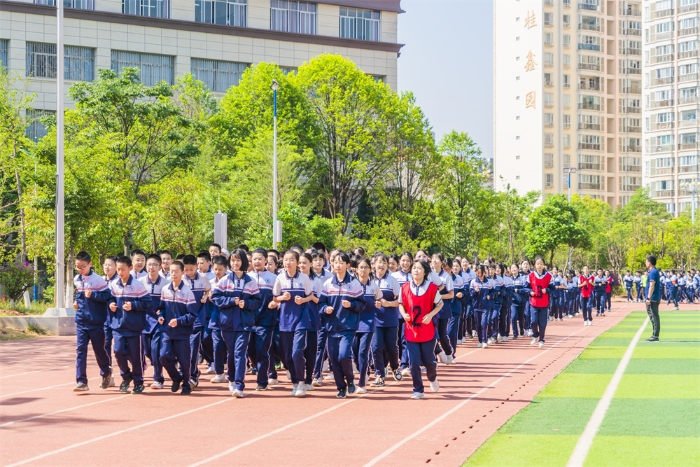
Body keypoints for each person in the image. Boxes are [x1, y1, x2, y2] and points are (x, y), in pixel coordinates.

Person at [210, 249, 261, 398]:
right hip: (227, 323)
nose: (235, 263)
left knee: (240, 353)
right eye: (233, 260)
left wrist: (247, 304)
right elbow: (216, 298)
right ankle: (231, 378)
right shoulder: (225, 280)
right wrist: (232, 301)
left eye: (238, 260)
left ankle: (239, 385)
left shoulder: (250, 281)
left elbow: (257, 301)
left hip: (244, 324)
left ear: (243, 261)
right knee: (231, 353)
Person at [318, 252, 366, 398]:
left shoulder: (354, 283)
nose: (337, 265)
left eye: (341, 262)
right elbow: (320, 304)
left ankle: (350, 380)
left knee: (344, 355)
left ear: (347, 265)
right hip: (331, 327)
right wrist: (325, 309)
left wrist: (351, 305)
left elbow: (362, 304)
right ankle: (341, 387)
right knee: (333, 359)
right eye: (335, 262)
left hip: (348, 326)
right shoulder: (328, 283)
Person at [271, 250, 315, 397]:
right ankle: (295, 382)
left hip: (301, 320)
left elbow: (310, 296)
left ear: (297, 262)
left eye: (291, 260)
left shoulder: (304, 278)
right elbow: (275, 298)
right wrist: (282, 297)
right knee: (288, 355)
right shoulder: (280, 278)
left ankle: (302, 382)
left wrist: (302, 300)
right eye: (285, 260)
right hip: (285, 320)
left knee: (297, 352)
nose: (288, 262)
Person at [398, 259, 443, 400]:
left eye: (419, 268)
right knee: (414, 362)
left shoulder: (432, 288)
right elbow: (400, 303)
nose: (416, 270)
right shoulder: (405, 287)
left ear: (425, 272)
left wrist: (430, 315)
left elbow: (440, 304)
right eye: (414, 268)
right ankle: (418, 389)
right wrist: (403, 314)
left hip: (427, 330)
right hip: (411, 330)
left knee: (429, 361)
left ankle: (432, 377)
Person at [108, 255, 151, 394]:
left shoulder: (137, 285)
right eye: (118, 269)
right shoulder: (114, 284)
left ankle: (138, 382)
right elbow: (110, 298)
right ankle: (126, 376)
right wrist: (111, 304)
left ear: (130, 268)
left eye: (123, 269)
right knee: (118, 352)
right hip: (118, 326)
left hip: (134, 328)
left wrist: (133, 305)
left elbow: (147, 303)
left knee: (135, 356)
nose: (120, 272)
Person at [72, 251, 112, 392]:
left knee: (99, 350)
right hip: (81, 322)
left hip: (96, 322)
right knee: (80, 350)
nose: (80, 269)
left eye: (83, 266)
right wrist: (76, 302)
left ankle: (106, 371)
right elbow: (79, 295)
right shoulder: (77, 279)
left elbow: (108, 296)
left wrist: (93, 295)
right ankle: (81, 381)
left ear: (90, 264)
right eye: (77, 267)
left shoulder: (98, 280)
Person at [158, 260, 198, 395]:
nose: (173, 274)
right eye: (171, 271)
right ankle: (176, 378)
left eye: (176, 271)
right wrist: (161, 316)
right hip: (167, 331)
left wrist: (179, 321)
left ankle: (186, 384)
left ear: (183, 272)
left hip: (182, 333)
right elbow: (161, 308)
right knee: (163, 356)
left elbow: (193, 315)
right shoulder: (165, 289)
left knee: (184, 361)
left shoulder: (187, 292)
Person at [247, 248, 278, 391]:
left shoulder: (274, 278)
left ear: (266, 260)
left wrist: (276, 303)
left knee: (262, 351)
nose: (257, 262)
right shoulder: (247, 277)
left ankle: (262, 381)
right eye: (254, 259)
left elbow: (279, 296)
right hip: (249, 321)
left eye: (260, 259)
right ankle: (259, 370)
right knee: (250, 351)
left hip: (266, 320)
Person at [371, 253, 402, 387]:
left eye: (384, 262)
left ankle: (395, 367)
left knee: (391, 347)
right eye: (379, 262)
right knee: (376, 347)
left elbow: (400, 301)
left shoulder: (392, 280)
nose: (382, 265)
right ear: (374, 264)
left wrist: (387, 304)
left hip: (390, 320)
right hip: (375, 320)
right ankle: (379, 375)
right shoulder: (370, 280)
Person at [352, 257, 382, 394]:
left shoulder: (373, 287)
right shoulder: (352, 285)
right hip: (353, 323)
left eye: (366, 267)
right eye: (361, 267)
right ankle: (363, 370)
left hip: (368, 323)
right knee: (355, 354)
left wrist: (378, 304)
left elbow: (379, 300)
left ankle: (361, 383)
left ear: (370, 269)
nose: (363, 270)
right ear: (356, 270)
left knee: (363, 352)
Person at [138, 254, 168, 390]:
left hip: (159, 321)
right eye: (149, 264)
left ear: (160, 267)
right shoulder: (140, 282)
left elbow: (167, 304)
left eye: (155, 265)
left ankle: (158, 378)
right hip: (144, 321)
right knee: (147, 351)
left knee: (156, 350)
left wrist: (162, 314)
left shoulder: (165, 283)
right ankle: (155, 364)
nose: (151, 267)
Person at [206, 255, 229, 384]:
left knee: (230, 347)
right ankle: (219, 373)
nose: (217, 272)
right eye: (215, 269)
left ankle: (232, 371)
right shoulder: (210, 283)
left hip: (229, 319)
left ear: (226, 269)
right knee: (217, 345)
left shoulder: (229, 282)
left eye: (220, 269)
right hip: (215, 318)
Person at [431, 254, 455, 363]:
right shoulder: (428, 275)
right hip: (430, 310)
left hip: (443, 310)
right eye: (433, 259)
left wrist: (438, 296)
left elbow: (451, 295)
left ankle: (449, 353)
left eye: (437, 259)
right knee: (431, 334)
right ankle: (435, 356)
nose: (434, 261)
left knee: (441, 335)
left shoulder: (446, 277)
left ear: (442, 262)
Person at [528, 257, 554, 348]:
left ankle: (541, 339)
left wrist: (547, 290)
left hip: (544, 303)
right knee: (533, 321)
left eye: (541, 264)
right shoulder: (531, 275)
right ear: (535, 265)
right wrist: (530, 292)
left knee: (542, 323)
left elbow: (552, 288)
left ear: (543, 265)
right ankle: (535, 335)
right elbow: (526, 287)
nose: (539, 265)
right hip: (534, 303)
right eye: (537, 264)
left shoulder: (549, 276)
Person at [102, 255, 119, 385]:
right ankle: (108, 375)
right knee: (105, 346)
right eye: (105, 264)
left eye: (110, 265)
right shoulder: (100, 281)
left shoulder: (119, 281)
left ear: (116, 267)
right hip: (104, 319)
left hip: (118, 319)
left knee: (122, 349)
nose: (107, 267)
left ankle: (137, 367)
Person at [470, 265, 493, 348]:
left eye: (480, 273)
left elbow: (493, 291)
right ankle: (480, 340)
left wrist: (490, 295)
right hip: (476, 306)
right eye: (477, 273)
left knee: (484, 323)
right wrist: (475, 291)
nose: (479, 274)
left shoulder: (489, 282)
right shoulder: (473, 282)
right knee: (478, 324)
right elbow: (471, 294)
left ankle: (484, 341)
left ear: (484, 272)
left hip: (486, 306)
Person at [645, 255, 661, 342]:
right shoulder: (653, 271)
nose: (645, 263)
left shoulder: (653, 272)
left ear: (649, 262)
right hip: (653, 297)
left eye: (646, 261)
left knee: (654, 316)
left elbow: (652, 285)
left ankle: (655, 335)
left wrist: (648, 297)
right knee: (652, 316)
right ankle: (654, 334)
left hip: (653, 298)